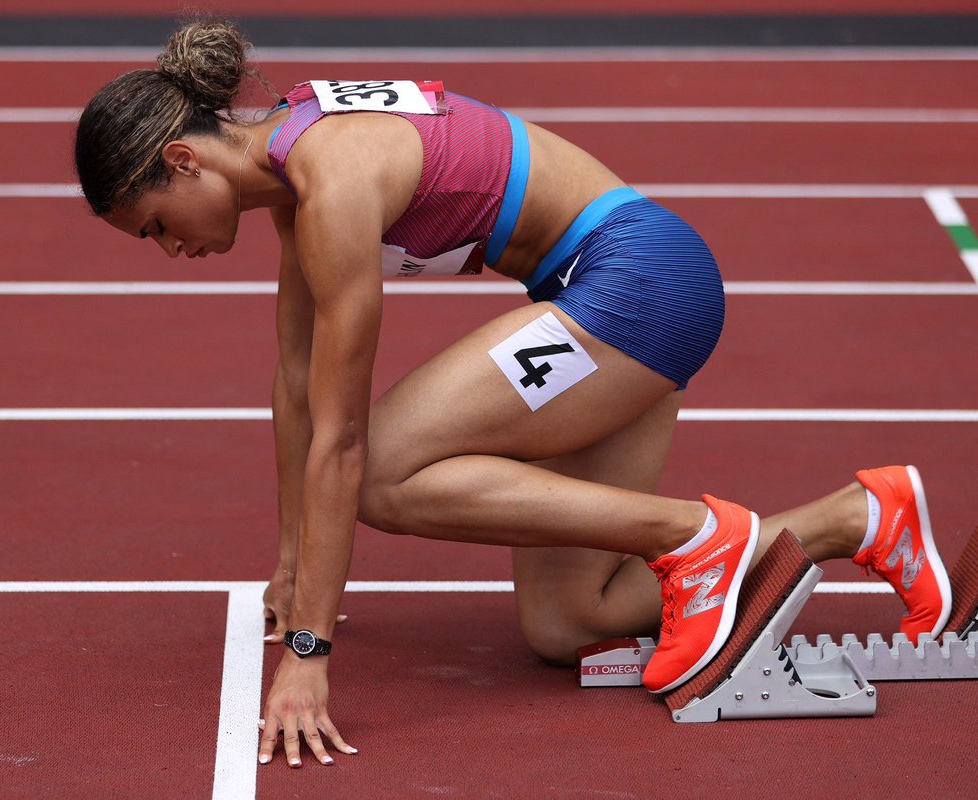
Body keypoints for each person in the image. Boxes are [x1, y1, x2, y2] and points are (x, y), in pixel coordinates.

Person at [74, 20, 953, 768]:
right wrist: (294, 559)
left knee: (379, 471)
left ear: (184, 160)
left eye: (154, 226)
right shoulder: (293, 164)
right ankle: (859, 519)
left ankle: (696, 537)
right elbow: (295, 384)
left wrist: (309, 651)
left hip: (630, 281)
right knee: (569, 623)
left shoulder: (331, 182)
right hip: (611, 294)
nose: (169, 251)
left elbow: (337, 439)